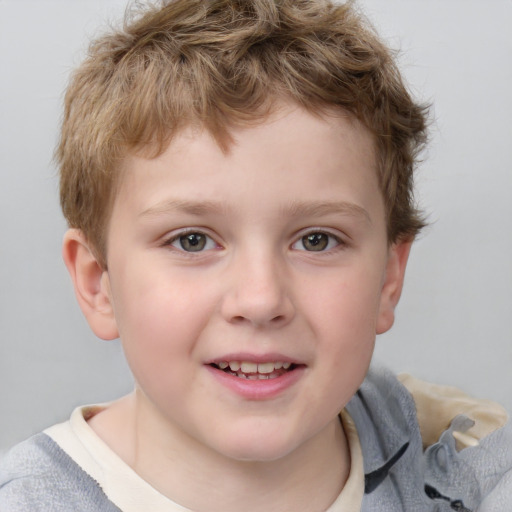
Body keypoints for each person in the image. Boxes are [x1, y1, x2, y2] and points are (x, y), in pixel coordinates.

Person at [0, 0, 510, 510]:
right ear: (98, 283)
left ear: (388, 278)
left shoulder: (459, 465)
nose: (261, 299)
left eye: (317, 240)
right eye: (192, 240)